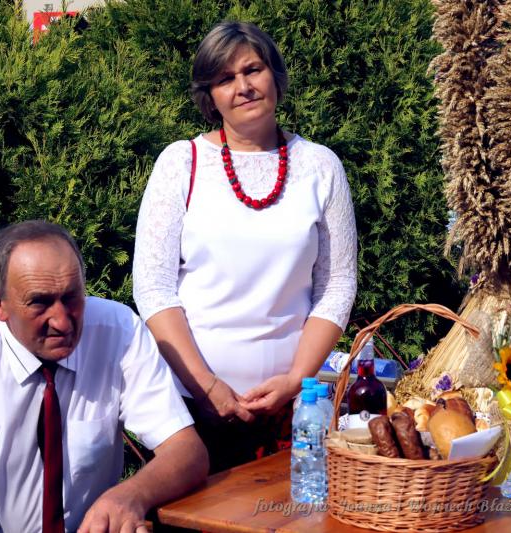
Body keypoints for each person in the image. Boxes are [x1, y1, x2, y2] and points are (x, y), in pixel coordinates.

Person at [132, 21, 357, 472]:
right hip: (190, 411)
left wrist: (295, 380)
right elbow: (154, 288)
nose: (243, 86)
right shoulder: (181, 164)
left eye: (253, 70)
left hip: (292, 412)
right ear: (210, 96)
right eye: (225, 79)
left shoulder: (320, 166)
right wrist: (207, 387)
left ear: (274, 75)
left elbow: (336, 284)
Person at [0, 220, 208, 532]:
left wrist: (129, 497)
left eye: (72, 297)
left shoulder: (119, 331)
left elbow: (187, 452)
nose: (62, 321)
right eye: (40, 302)